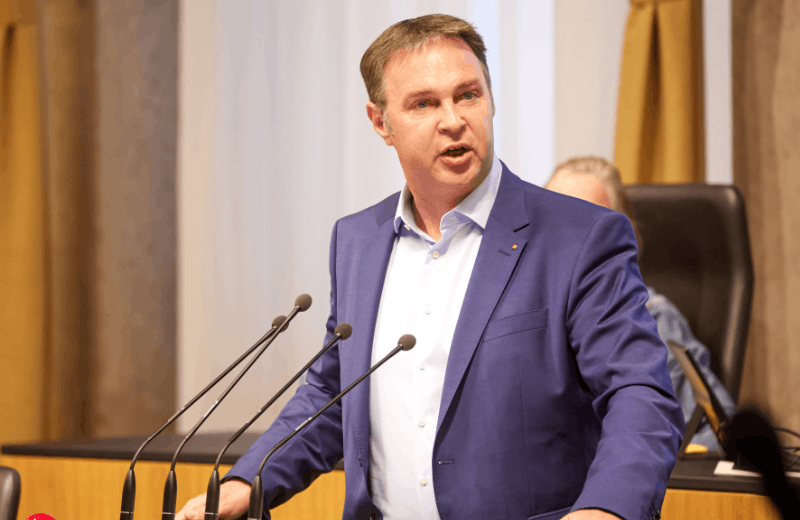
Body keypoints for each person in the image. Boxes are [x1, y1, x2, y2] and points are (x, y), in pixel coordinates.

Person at [177, 15, 683, 520]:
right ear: (381, 123)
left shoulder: (580, 237)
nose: (453, 120)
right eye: (424, 103)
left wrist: (607, 511)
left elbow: (640, 394)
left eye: (468, 95)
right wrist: (247, 481)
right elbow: (334, 393)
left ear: (490, 99)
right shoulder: (357, 241)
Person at [546, 156, 738, 449]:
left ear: (624, 240)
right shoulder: (519, 318)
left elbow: (723, 434)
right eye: (552, 224)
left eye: (583, 227)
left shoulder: (653, 320)